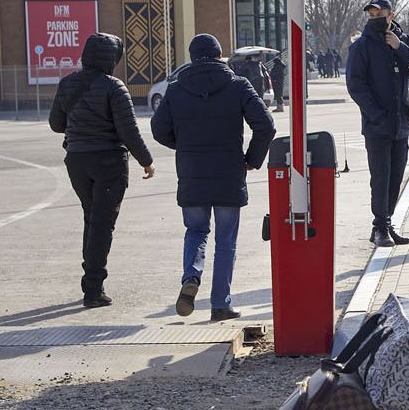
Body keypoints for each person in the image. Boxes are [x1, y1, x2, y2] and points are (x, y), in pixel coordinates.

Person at [152, 33, 276, 322]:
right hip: (229, 172)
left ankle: (191, 277)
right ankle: (220, 304)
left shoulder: (177, 87)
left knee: (195, 231)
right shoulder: (238, 85)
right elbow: (266, 126)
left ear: (192, 57)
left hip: (192, 171)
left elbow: (159, 129)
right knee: (225, 240)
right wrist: (251, 160)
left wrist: (183, 146)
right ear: (220, 56)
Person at [49, 33, 156, 307]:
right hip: (108, 162)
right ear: (112, 58)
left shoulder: (67, 84)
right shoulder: (114, 87)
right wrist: (146, 160)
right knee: (102, 224)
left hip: (77, 160)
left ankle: (91, 281)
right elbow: (128, 131)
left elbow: (56, 124)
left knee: (91, 217)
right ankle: (93, 289)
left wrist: (81, 124)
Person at [345, 0, 409, 248]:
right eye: (372, 15)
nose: (375, 18)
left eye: (380, 13)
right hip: (377, 125)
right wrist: (376, 113)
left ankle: (387, 223)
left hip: (400, 123)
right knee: (380, 176)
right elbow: (356, 85)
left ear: (391, 15)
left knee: (396, 175)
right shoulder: (361, 47)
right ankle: (379, 226)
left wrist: (399, 46)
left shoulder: (400, 40)